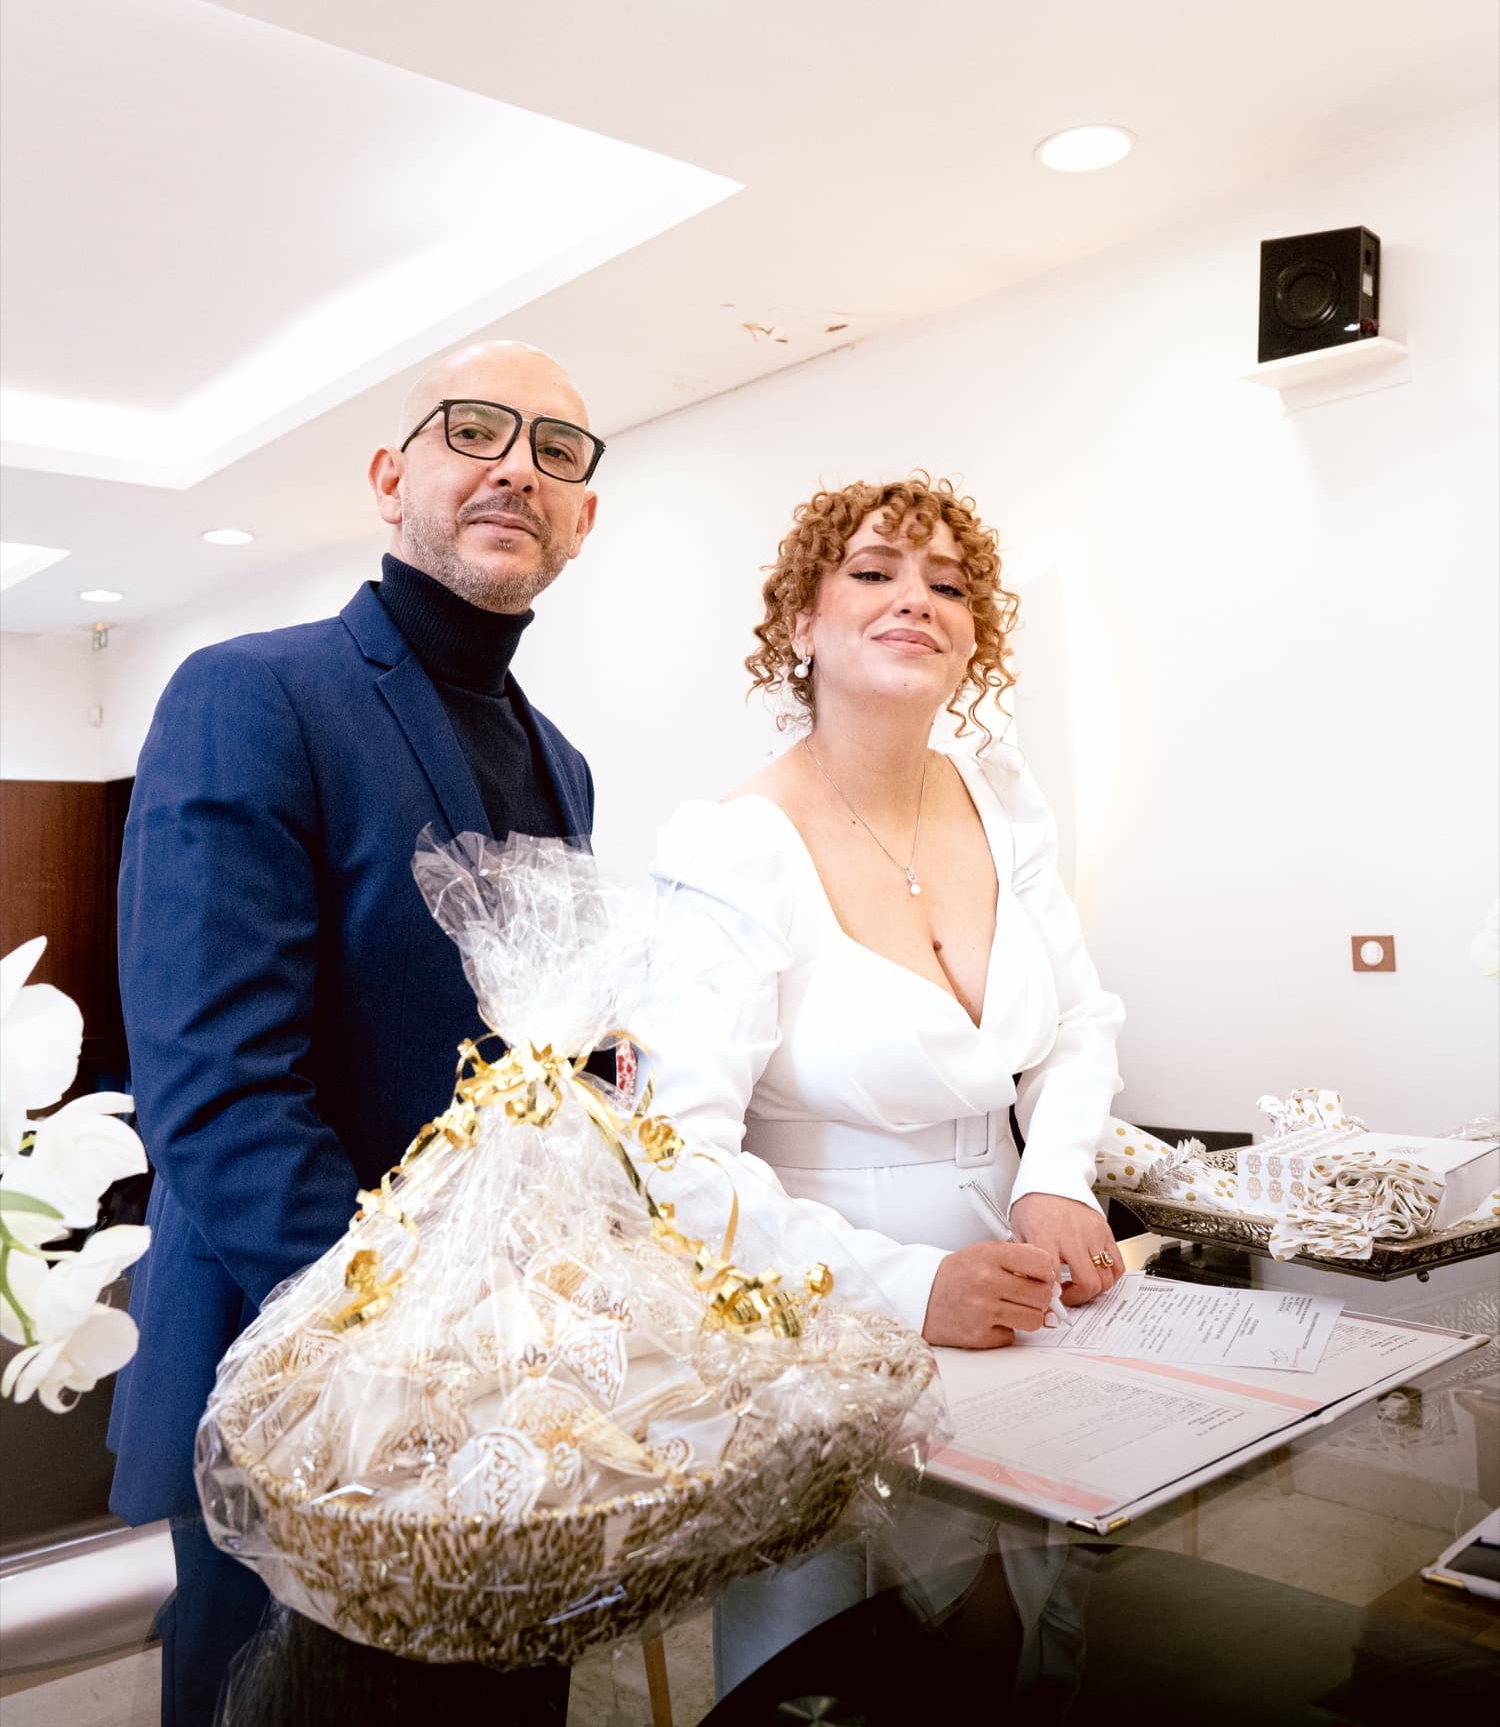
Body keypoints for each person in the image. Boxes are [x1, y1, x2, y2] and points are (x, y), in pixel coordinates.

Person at [107, 341, 603, 1727]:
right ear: (393, 479)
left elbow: (522, 1067)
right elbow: (218, 1091)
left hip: (515, 1401)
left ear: (583, 520)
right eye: (476, 430)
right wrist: (412, 1360)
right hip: (299, 1387)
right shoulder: (250, 692)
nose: (518, 465)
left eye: (559, 451)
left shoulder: (564, 761)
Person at [646, 474, 1125, 1690]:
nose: (917, 597)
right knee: (833, 1667)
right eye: (873, 571)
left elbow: (1078, 1021)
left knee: (1010, 1647)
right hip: (820, 1331)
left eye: (949, 584)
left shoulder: (1002, 802)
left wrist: (1058, 1176)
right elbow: (675, 1155)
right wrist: (915, 1288)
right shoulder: (737, 843)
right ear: (799, 624)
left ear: (976, 636)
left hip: (1029, 1308)